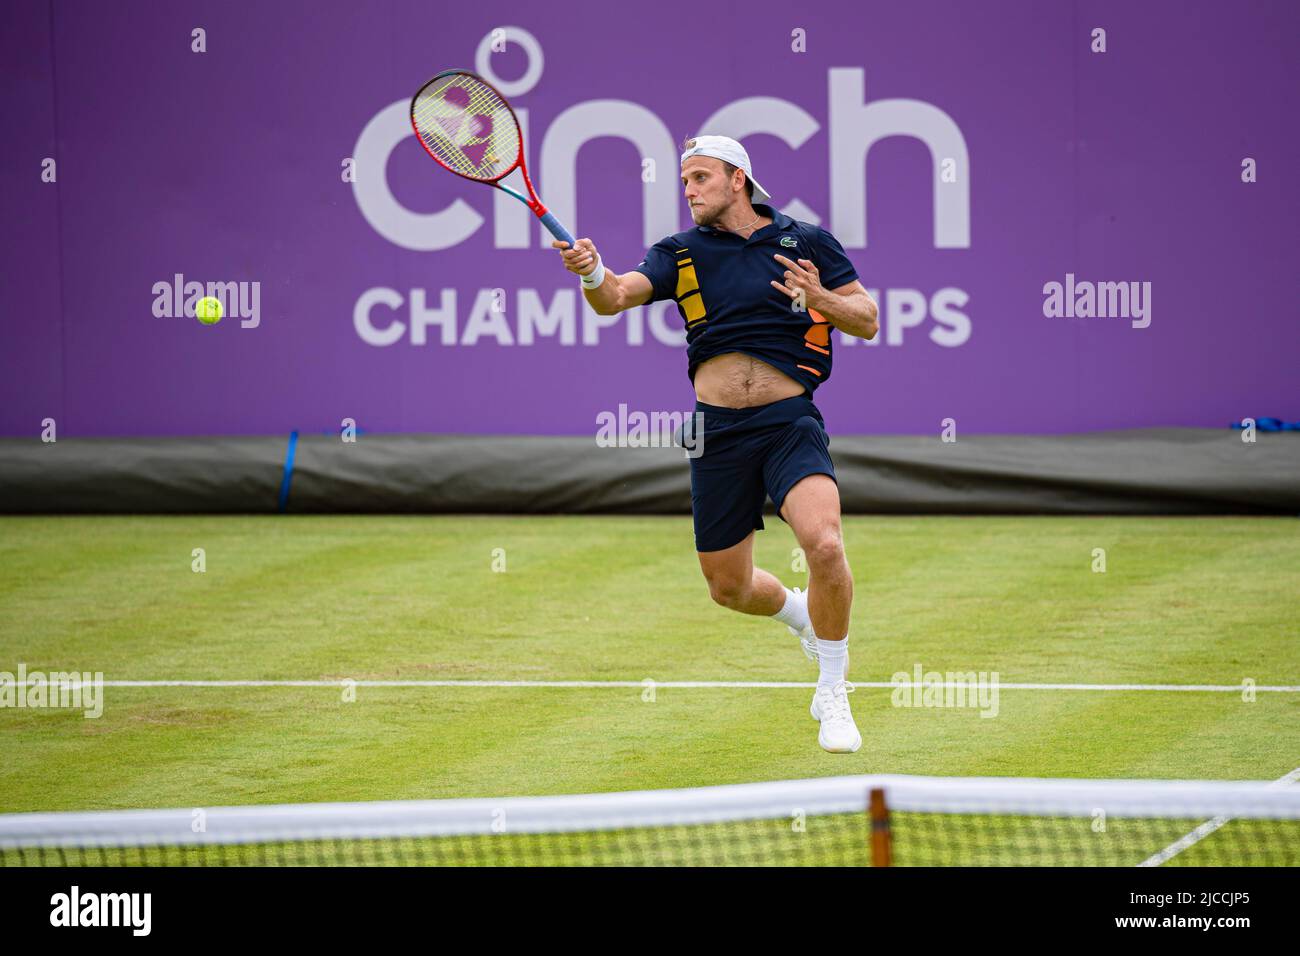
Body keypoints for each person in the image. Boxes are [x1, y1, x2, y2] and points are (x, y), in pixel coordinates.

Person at [553, 135, 878, 753]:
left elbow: (867, 319)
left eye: (700, 177)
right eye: (684, 181)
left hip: (789, 422)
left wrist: (820, 297)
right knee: (728, 587)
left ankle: (833, 689)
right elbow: (614, 299)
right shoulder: (679, 252)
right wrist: (592, 272)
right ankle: (799, 613)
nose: (689, 190)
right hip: (715, 432)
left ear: (738, 179)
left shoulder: (807, 241)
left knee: (826, 543)